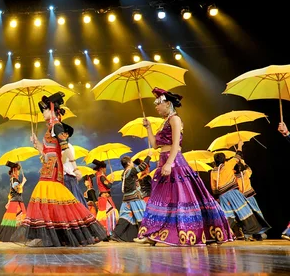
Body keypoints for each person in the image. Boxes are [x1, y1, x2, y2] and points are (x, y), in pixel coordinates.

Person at [134, 88, 233, 246]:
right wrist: (148, 128)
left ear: (167, 104)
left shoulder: (175, 120)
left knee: (181, 197)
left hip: (174, 162)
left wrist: (169, 163)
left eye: (158, 104)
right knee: (160, 199)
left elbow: (176, 145)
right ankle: (152, 233)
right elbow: (154, 144)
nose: (156, 107)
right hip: (163, 160)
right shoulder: (164, 122)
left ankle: (195, 231)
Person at [14, 92, 107, 247]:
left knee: (48, 196)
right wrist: (36, 144)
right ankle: (49, 236)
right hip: (47, 166)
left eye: (44, 110)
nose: (42, 113)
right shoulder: (50, 127)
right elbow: (46, 153)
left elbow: (65, 147)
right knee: (50, 200)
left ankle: (49, 236)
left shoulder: (57, 126)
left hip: (54, 168)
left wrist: (75, 168)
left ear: (51, 110)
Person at [210, 142, 268, 241]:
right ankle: (249, 233)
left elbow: (214, 188)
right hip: (233, 193)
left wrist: (218, 197)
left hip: (222, 196)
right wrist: (240, 145)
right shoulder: (228, 165)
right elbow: (238, 155)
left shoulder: (213, 172)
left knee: (228, 214)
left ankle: (222, 233)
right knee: (244, 211)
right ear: (224, 160)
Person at [111, 155, 151, 242]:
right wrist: (148, 157)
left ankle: (116, 234)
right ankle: (145, 235)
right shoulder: (130, 171)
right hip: (134, 197)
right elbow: (142, 167)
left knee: (125, 217)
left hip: (126, 198)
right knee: (142, 214)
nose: (133, 163)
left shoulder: (124, 173)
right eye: (131, 162)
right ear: (129, 163)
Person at [234, 152, 271, 240]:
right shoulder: (243, 174)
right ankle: (252, 233)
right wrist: (242, 162)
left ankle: (258, 233)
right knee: (250, 216)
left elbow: (248, 169)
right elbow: (249, 169)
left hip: (247, 198)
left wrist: (241, 162)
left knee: (251, 216)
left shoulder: (240, 175)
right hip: (244, 199)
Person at [0, 161, 26, 242]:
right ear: (14, 170)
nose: (18, 172)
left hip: (17, 201)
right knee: (14, 219)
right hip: (15, 202)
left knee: (16, 219)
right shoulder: (13, 179)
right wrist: (23, 182)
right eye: (17, 170)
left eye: (19, 170)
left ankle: (16, 237)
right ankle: (11, 237)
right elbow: (18, 190)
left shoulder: (14, 179)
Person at [93, 159, 118, 236]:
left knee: (105, 215)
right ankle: (108, 232)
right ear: (101, 169)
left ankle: (105, 233)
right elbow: (108, 185)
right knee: (110, 214)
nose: (105, 169)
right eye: (104, 168)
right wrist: (112, 181)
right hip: (105, 199)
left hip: (103, 198)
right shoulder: (101, 177)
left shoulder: (99, 176)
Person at [62, 144, 87, 208]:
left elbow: (63, 160)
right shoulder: (66, 146)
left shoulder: (67, 146)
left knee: (75, 205)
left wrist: (76, 170)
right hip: (65, 177)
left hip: (68, 177)